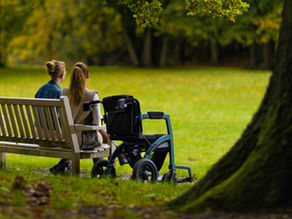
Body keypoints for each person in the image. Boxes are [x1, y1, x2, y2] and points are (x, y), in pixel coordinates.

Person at [49, 62, 109, 175]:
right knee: (102, 136)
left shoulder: (65, 92)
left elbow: (60, 117)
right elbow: (97, 123)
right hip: (82, 141)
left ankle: (64, 164)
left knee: (98, 136)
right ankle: (103, 167)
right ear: (87, 76)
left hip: (65, 138)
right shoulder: (91, 95)